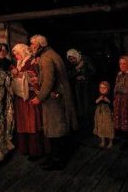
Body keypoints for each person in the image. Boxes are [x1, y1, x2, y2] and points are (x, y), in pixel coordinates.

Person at [30, 34, 78, 171]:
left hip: (54, 100)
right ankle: (53, 157)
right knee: (55, 130)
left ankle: (58, 161)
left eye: (32, 44)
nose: (31, 47)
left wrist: (39, 98)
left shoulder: (46, 58)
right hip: (57, 98)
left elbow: (49, 82)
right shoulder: (50, 54)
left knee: (55, 131)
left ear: (39, 45)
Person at [11, 43, 45, 161]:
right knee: (23, 124)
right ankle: (25, 149)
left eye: (18, 53)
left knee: (32, 124)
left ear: (24, 52)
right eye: (15, 54)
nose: (16, 56)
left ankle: (35, 151)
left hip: (29, 98)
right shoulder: (19, 63)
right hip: (20, 99)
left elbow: (36, 78)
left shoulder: (31, 62)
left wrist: (20, 75)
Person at [66, 48, 96, 134]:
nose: (72, 61)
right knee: (79, 109)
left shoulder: (86, 60)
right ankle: (82, 130)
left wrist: (85, 77)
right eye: (70, 59)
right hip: (77, 90)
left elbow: (93, 72)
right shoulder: (71, 65)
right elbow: (68, 75)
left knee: (87, 108)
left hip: (87, 89)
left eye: (73, 58)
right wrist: (77, 70)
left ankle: (90, 129)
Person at [93, 81, 114, 149]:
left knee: (109, 127)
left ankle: (110, 142)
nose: (102, 89)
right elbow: (94, 102)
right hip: (100, 114)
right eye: (101, 87)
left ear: (108, 88)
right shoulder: (98, 95)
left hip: (107, 114)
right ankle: (103, 141)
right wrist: (99, 99)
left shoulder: (110, 95)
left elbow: (112, 104)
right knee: (101, 127)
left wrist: (107, 100)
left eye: (104, 88)